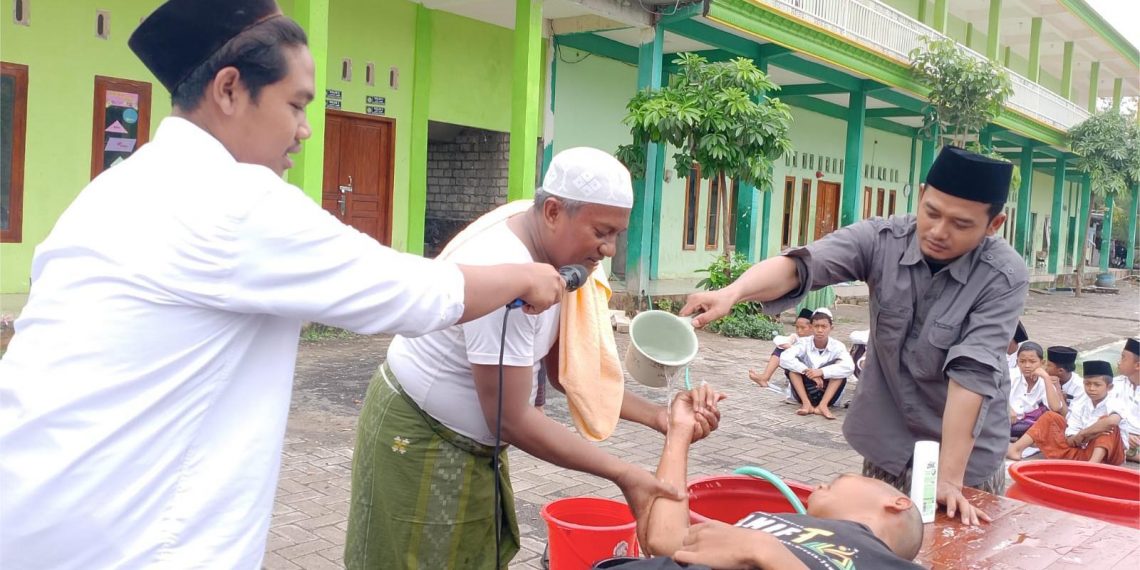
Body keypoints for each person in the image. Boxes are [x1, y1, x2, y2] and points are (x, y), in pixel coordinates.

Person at [0, 2, 565, 569]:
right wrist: (526, 275)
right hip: (135, 541)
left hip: (34, 512)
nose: (305, 129)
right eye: (295, 105)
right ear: (228, 89)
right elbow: (409, 293)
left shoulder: (113, 189)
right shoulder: (234, 201)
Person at [343, 148, 723, 569]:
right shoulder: (505, 275)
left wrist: (659, 417)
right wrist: (625, 474)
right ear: (554, 211)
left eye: (618, 234)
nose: (610, 249)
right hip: (421, 437)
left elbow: (567, 373)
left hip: (471, 445)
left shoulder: (562, 251)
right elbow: (509, 418)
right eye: (602, 231)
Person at [683, 146, 1028, 525]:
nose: (939, 231)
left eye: (961, 225)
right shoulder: (882, 239)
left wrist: (947, 479)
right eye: (932, 212)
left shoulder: (1003, 275)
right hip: (889, 438)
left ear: (993, 225)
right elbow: (802, 266)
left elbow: (972, 376)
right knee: (877, 547)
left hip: (966, 458)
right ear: (921, 193)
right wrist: (733, 291)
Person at [604, 386, 924, 570]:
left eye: (843, 476)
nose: (819, 485)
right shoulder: (773, 524)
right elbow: (666, 541)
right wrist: (679, 431)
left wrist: (769, 553)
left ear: (897, 501)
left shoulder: (884, 562)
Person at [1006, 361, 1125, 465]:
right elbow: (1070, 439)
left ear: (1109, 387)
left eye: (1097, 385)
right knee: (1050, 417)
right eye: (1087, 384)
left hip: (1108, 456)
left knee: (1107, 425)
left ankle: (1091, 466)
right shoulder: (1081, 401)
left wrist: (1086, 433)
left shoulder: (1115, 400)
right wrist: (1085, 435)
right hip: (1081, 450)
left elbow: (1112, 421)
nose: (1091, 388)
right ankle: (1016, 449)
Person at [780, 308, 855, 420]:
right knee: (792, 370)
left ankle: (823, 405)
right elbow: (784, 358)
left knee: (839, 372)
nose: (820, 330)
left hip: (827, 392)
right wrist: (807, 371)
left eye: (824, 327)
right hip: (805, 390)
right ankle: (806, 404)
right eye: (816, 326)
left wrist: (821, 372)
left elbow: (849, 367)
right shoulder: (803, 343)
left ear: (831, 328)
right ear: (811, 327)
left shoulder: (838, 346)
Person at [1007, 342, 1065, 438]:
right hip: (1004, 421)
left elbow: (1056, 407)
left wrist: (1046, 377)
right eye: (1022, 361)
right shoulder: (1011, 375)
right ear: (1017, 362)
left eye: (1032, 361)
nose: (1027, 365)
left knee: (1054, 420)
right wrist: (1007, 407)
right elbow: (994, 392)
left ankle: (1018, 446)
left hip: (1027, 425)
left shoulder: (1043, 381)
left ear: (1042, 363)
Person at [748, 308, 813, 388]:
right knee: (780, 349)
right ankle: (765, 378)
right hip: (794, 366)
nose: (799, 331)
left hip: (808, 370)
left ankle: (765, 378)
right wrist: (789, 344)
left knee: (788, 353)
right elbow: (778, 340)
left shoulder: (814, 340)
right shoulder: (796, 337)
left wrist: (792, 349)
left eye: (803, 328)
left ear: (812, 328)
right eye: (797, 327)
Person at [1112, 338, 1140, 462]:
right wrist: (1125, 435)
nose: (1119, 362)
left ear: (1137, 365)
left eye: (1123, 358)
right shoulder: (1113, 385)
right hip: (1117, 435)